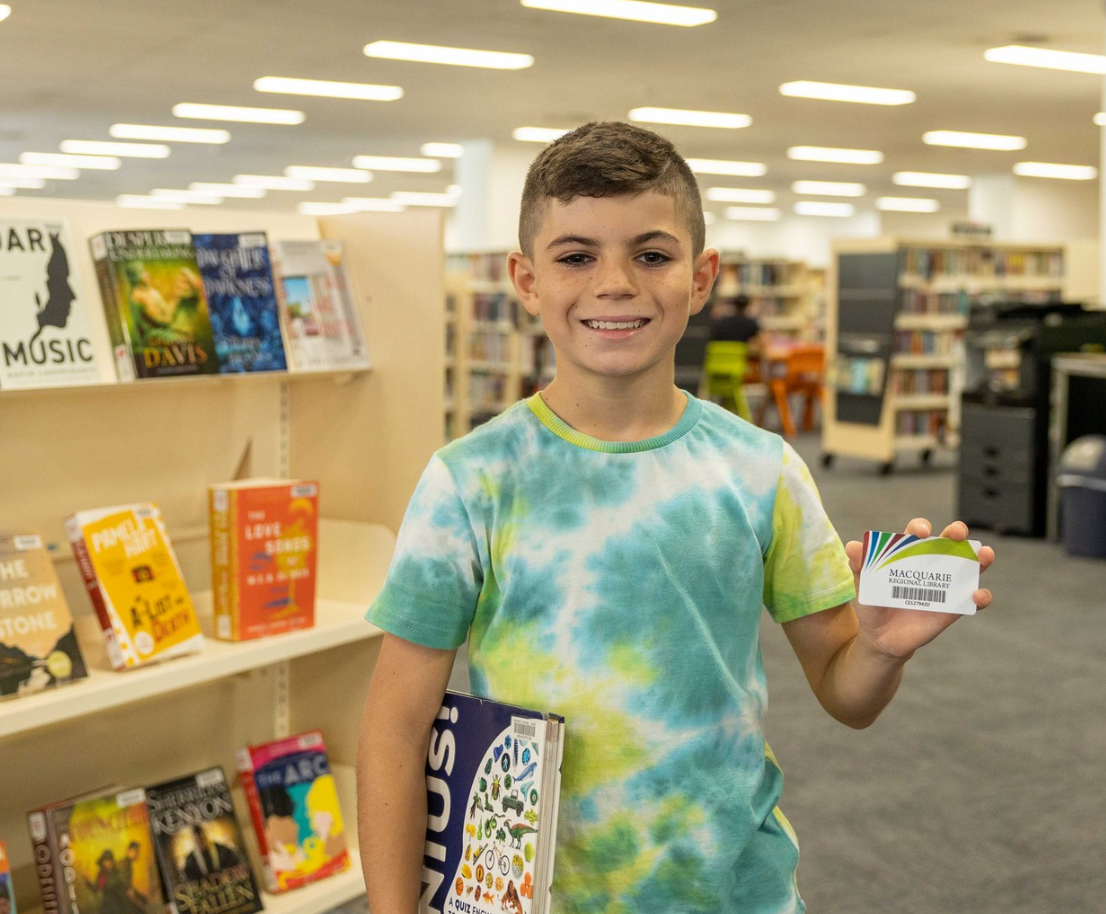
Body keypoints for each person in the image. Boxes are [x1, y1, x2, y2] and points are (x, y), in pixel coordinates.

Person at [357, 121, 995, 914]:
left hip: (734, 893)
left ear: (700, 278)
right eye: (576, 256)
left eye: (651, 255)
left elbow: (848, 697)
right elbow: (394, 730)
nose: (615, 283)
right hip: (539, 897)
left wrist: (877, 649)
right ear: (526, 280)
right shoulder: (471, 481)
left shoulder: (763, 470)